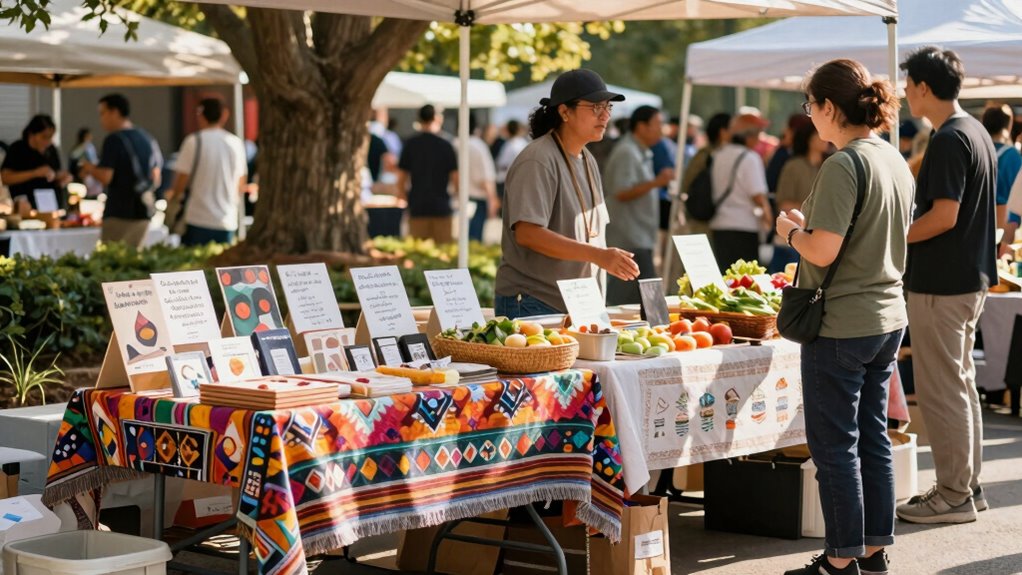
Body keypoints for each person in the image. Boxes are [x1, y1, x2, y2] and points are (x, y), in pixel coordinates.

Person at [775, 58, 914, 575]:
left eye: (811, 105)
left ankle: (839, 562)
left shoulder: (843, 163)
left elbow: (824, 250)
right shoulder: (891, 157)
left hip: (843, 323)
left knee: (836, 448)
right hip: (885, 315)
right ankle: (874, 550)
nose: (810, 115)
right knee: (872, 437)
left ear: (830, 106)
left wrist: (789, 231)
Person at [895, 46, 997, 526]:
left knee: (943, 391)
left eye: (908, 84)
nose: (904, 93)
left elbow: (943, 216)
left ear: (924, 87)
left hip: (943, 283)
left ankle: (954, 493)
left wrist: (890, 237)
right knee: (958, 387)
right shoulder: (973, 130)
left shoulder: (951, 138)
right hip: (965, 280)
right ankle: (965, 488)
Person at [495, 69, 638, 318]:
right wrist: (598, 256)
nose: (605, 114)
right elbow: (528, 234)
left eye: (608, 107)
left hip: (578, 303)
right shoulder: (538, 159)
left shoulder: (587, 157)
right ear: (564, 112)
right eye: (595, 106)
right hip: (534, 301)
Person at [603, 105, 674, 304]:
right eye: (658, 124)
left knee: (636, 298)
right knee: (644, 298)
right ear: (641, 126)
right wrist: (657, 182)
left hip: (639, 234)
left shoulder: (639, 150)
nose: (662, 129)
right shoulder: (627, 151)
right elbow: (621, 192)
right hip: (629, 237)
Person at [80, 93, 163, 248]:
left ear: (115, 112)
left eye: (102, 113)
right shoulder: (147, 138)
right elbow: (157, 178)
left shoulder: (114, 140)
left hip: (118, 213)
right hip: (144, 211)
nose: (101, 119)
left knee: (112, 263)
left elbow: (106, 177)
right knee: (134, 264)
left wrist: (90, 168)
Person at [167, 98, 247, 246]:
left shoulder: (193, 141)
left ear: (201, 116)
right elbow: (241, 183)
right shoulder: (235, 143)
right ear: (224, 115)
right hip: (227, 218)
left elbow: (181, 181)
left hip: (197, 217)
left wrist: (173, 198)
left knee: (195, 266)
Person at [709, 113, 773, 271]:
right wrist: (769, 219)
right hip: (744, 228)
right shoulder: (750, 158)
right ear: (749, 136)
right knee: (744, 282)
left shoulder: (717, 155)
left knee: (725, 278)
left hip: (720, 225)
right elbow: (758, 196)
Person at [769, 121, 830, 273]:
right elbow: (784, 204)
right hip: (793, 240)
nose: (825, 138)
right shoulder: (793, 166)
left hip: (822, 239)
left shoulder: (829, 165)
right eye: (818, 134)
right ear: (809, 138)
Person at [397, 105, 458, 244]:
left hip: (417, 205)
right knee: (443, 254)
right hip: (441, 205)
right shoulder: (446, 145)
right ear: (437, 118)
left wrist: (403, 196)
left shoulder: (410, 144)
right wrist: (456, 197)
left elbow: (401, 177)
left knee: (418, 253)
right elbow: (456, 178)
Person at [0, 115, 71, 210]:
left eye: (50, 137)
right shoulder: (18, 148)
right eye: (44, 137)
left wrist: (60, 178)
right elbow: (5, 178)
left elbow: (54, 174)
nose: (48, 141)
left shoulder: (51, 150)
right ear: (32, 134)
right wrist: (35, 173)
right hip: (26, 204)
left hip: (51, 204)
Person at [680, 113, 731, 238]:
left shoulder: (706, 154)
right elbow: (686, 184)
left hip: (718, 222)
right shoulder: (705, 155)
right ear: (723, 132)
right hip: (704, 223)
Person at [981, 104, 1021, 230]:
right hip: (1005, 225)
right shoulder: (1012, 155)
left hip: (976, 224)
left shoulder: (976, 151)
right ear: (1008, 126)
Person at [461, 113, 498, 243]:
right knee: (474, 241)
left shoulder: (455, 143)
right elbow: (486, 178)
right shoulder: (478, 146)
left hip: (460, 198)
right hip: (477, 200)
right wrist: (492, 200)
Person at [495, 119, 528, 201]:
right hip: (518, 180)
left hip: (507, 180)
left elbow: (502, 164)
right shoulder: (523, 143)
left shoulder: (510, 145)